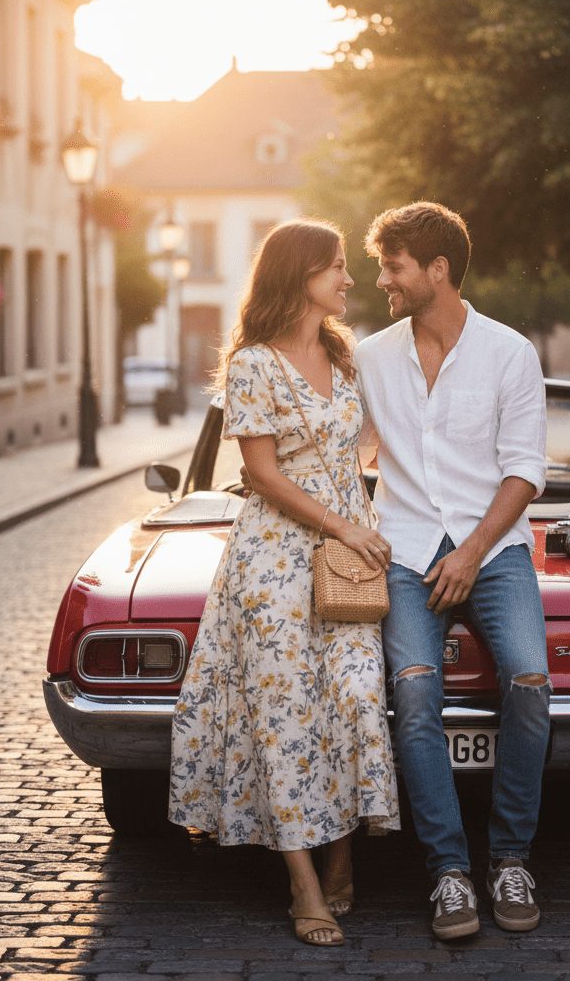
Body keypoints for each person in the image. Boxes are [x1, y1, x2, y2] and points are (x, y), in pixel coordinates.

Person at [168, 219, 400, 948]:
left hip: (347, 553)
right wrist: (344, 524)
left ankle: (342, 850)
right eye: (336, 266)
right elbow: (261, 475)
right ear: (299, 274)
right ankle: (305, 883)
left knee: (359, 697)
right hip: (273, 564)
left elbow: (374, 443)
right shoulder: (253, 365)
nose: (349, 279)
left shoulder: (347, 353)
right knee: (286, 718)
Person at [353, 201, 550, 940]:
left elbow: (524, 473)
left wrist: (469, 554)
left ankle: (509, 858)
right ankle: (448, 872)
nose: (381, 281)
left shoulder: (510, 354)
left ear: (438, 269)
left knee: (530, 682)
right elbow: (353, 452)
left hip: (494, 553)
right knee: (413, 694)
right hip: (402, 551)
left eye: (393, 266)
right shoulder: (371, 357)